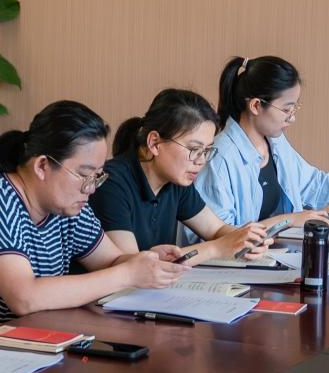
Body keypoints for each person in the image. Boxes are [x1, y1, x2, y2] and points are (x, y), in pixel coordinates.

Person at [0, 100, 185, 331]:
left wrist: (144, 261)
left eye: (97, 176)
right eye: (84, 174)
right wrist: (127, 274)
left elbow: (110, 261)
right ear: (42, 166)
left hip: (25, 341)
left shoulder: (67, 205)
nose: (91, 188)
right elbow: (24, 298)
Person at [196, 55, 329, 228]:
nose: (292, 118)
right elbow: (221, 236)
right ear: (256, 106)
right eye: (286, 109)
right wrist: (289, 220)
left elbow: (312, 184)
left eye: (294, 108)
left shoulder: (275, 143)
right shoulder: (220, 158)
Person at [93, 89, 273, 262]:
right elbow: (132, 266)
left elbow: (216, 229)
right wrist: (216, 249)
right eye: (195, 149)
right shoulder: (111, 183)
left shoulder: (176, 180)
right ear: (155, 143)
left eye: (206, 151)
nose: (201, 160)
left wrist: (247, 239)